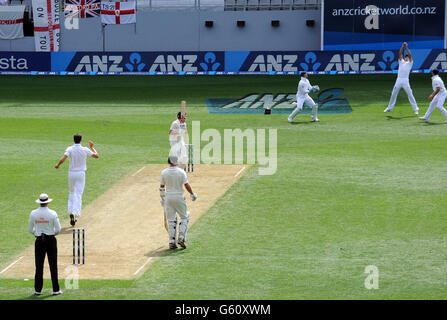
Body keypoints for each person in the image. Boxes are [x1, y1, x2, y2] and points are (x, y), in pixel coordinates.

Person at [55, 133, 99, 226]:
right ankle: (76, 213)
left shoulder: (70, 148)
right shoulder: (85, 149)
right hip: (81, 173)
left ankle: (71, 211)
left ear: (73, 140)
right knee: (78, 193)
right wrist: (92, 147)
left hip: (71, 173)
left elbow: (63, 159)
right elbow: (96, 156)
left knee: (71, 192)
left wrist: (58, 165)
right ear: (81, 140)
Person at [160, 155, 197, 249]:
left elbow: (161, 187)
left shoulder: (164, 172)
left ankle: (171, 242)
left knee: (171, 220)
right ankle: (181, 238)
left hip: (168, 198)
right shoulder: (181, 172)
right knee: (185, 217)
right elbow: (186, 185)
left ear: (168, 162)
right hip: (179, 197)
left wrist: (163, 199)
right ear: (176, 162)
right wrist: (192, 194)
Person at [28, 193, 62, 296]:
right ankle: (56, 290)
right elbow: (58, 229)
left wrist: (37, 234)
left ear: (40, 202)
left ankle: (37, 290)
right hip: (50, 240)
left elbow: (30, 229)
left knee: (39, 266)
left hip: (39, 240)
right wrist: (51, 235)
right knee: (53, 265)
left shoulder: (33, 213)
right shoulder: (52, 213)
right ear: (47, 202)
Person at [384, 42, 419, 115]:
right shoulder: (401, 61)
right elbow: (400, 54)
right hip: (399, 79)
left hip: (406, 80)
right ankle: (389, 108)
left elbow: (410, 55)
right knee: (393, 93)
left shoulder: (410, 63)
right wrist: (402, 47)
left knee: (410, 94)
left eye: (407, 57)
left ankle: (415, 109)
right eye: (405, 57)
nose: (406, 58)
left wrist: (406, 47)